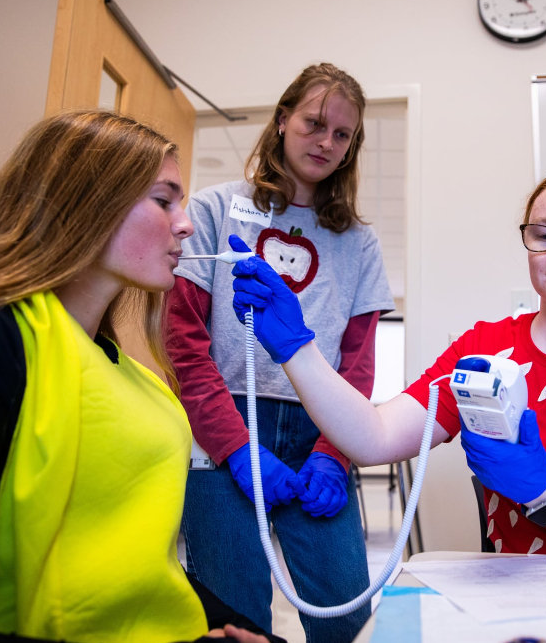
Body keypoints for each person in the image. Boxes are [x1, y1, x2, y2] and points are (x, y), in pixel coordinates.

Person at [0, 110, 282, 643]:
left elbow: (149, 570)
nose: (186, 223)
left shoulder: (133, 374)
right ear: (87, 202)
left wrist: (241, 630)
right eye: (163, 200)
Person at [229, 167, 546, 558]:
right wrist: (297, 349)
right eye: (544, 234)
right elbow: (374, 437)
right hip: (517, 597)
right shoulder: (486, 348)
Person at [166, 63, 393, 642]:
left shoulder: (359, 243)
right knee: (239, 621)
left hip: (319, 432)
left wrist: (332, 455)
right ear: (283, 119)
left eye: (342, 135)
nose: (326, 142)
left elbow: (357, 368)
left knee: (345, 618)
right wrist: (234, 447)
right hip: (222, 430)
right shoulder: (215, 211)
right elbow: (185, 349)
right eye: (314, 123)